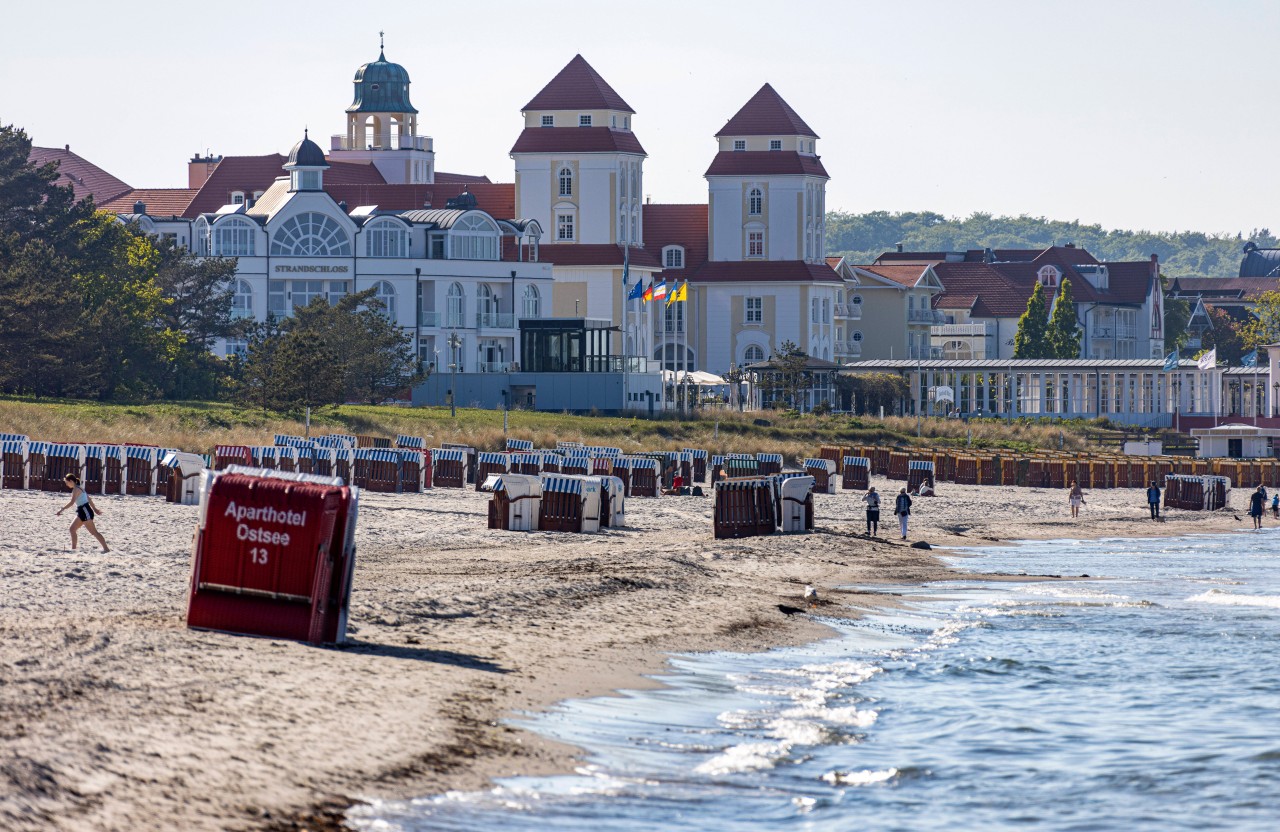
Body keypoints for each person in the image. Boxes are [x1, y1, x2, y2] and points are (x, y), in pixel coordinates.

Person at [56, 474, 109, 552]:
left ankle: (106, 549)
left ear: (71, 481)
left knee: (94, 532)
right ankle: (73, 549)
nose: (66, 484)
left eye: (66, 482)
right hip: (81, 511)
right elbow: (89, 499)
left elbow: (72, 502)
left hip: (85, 511)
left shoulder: (76, 489)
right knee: (72, 529)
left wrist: (62, 509)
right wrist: (95, 509)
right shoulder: (80, 488)